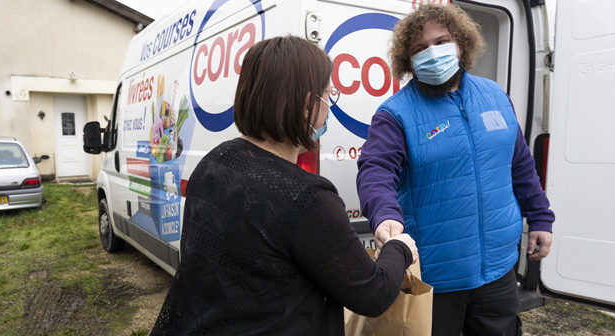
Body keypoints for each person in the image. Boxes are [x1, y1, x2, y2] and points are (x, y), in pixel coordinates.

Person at [151, 35, 419, 335]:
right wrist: (399, 248)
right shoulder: (307, 198)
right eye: (329, 94)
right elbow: (372, 294)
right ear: (308, 106)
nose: (329, 105)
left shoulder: (213, 162)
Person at [356, 4, 555, 336]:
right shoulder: (396, 113)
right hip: (436, 277)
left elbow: (519, 164)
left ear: (460, 44)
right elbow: (375, 169)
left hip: (498, 271)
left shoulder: (495, 95)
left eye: (441, 41)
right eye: (420, 48)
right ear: (408, 59)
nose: (432, 53)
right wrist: (384, 213)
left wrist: (540, 217)